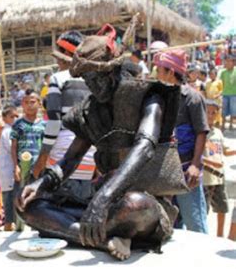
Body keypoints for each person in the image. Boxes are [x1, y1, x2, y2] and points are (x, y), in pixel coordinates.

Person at [16, 22, 186, 261]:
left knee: (135, 204)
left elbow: (144, 148)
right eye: (87, 79)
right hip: (101, 205)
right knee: (29, 205)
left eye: (96, 78)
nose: (92, 86)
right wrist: (41, 183)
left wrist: (104, 197)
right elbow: (70, 159)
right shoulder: (90, 110)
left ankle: (83, 233)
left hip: (140, 206)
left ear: (112, 70)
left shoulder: (150, 97)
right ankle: (104, 241)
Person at [32, 30, 96, 184]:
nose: (57, 62)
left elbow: (54, 122)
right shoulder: (94, 80)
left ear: (66, 53)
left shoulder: (58, 78)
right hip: (91, 155)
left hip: (63, 156)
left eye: (58, 56)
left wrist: (42, 157)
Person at [174, 64, 210, 234]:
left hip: (186, 169)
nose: (156, 74)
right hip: (166, 171)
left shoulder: (193, 98)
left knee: (195, 222)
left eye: (159, 70)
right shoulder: (161, 96)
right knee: (171, 224)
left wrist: (195, 164)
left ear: (170, 72)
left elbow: (201, 132)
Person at [202, 100, 236, 237]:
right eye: (207, 112)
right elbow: (196, 155)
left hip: (219, 178)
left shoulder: (217, 132)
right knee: (204, 210)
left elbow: (225, 151)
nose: (210, 115)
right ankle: (203, 236)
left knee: (222, 209)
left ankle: (219, 236)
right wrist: (211, 163)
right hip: (204, 179)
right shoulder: (200, 132)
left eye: (213, 113)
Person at [11, 90, 46, 185]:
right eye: (26, 102)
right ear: (22, 104)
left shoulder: (44, 125)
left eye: (32, 102)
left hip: (40, 168)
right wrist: (15, 167)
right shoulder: (17, 124)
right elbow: (14, 147)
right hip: (23, 169)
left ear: (39, 104)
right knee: (22, 196)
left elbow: (47, 148)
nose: (29, 105)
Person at [0, 105, 18, 231]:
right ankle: (8, 226)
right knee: (9, 200)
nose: (15, 119)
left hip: (10, 171)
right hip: (9, 171)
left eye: (16, 116)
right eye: (12, 117)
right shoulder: (8, 132)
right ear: (4, 118)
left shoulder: (12, 130)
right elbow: (13, 149)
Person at [220, 54, 236, 131]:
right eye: (227, 61)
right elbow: (221, 83)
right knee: (224, 110)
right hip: (225, 94)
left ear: (233, 63)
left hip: (234, 94)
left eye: (230, 61)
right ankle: (222, 124)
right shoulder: (223, 72)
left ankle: (231, 124)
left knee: (233, 110)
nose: (228, 63)